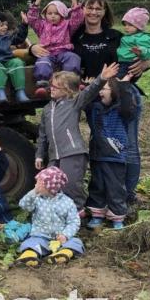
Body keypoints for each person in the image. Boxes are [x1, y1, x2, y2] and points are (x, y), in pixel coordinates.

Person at [69, 0, 150, 204]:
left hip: (123, 95)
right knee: (100, 145)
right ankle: (105, 195)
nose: (94, 12)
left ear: (105, 12)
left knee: (128, 145)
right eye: (90, 7)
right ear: (83, 10)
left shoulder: (117, 37)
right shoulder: (76, 38)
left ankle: (128, 195)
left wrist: (147, 62)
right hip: (94, 100)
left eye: (99, 8)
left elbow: (143, 49)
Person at [35, 62, 119, 212]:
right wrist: (39, 155)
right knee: (49, 185)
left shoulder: (73, 103)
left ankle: (78, 213)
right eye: (51, 86)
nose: (51, 89)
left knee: (71, 186)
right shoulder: (47, 109)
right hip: (55, 156)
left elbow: (89, 92)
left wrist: (101, 78)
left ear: (66, 90)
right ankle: (58, 215)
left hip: (72, 152)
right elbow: (42, 135)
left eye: (55, 87)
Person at [85, 74, 136, 229]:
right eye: (100, 89)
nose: (101, 92)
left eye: (104, 89)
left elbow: (128, 106)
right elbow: (86, 102)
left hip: (115, 156)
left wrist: (125, 86)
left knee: (115, 187)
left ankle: (117, 216)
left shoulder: (121, 111)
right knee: (97, 186)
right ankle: (97, 215)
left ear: (114, 91)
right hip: (97, 155)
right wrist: (91, 87)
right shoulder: (94, 109)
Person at [16, 167, 83, 266]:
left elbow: (74, 221)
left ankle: (63, 254)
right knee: (30, 243)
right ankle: (29, 256)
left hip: (60, 240)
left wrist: (65, 235)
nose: (36, 186)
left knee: (76, 242)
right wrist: (34, 192)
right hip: (40, 237)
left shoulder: (68, 202)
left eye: (39, 184)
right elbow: (23, 205)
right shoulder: (37, 199)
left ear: (50, 187)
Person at [27, 0, 84, 97]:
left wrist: (75, 7)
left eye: (56, 13)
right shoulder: (41, 25)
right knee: (42, 62)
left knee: (73, 58)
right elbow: (32, 19)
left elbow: (77, 20)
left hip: (63, 51)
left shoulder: (67, 24)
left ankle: (72, 82)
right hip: (47, 52)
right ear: (45, 14)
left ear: (62, 14)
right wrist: (35, 6)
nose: (53, 16)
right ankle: (43, 85)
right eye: (49, 13)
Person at [116, 7, 150, 79]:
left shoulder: (141, 37)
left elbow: (148, 49)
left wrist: (141, 51)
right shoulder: (128, 36)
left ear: (139, 26)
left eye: (130, 25)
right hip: (123, 63)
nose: (126, 27)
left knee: (116, 82)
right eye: (125, 24)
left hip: (130, 65)